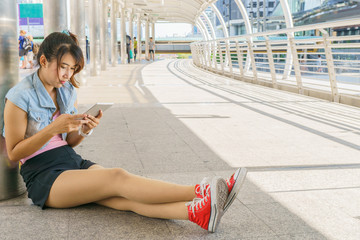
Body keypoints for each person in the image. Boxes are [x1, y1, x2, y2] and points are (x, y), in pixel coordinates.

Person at [2, 30, 248, 233]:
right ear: (44, 61)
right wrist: (53, 128)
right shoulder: (19, 97)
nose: (67, 75)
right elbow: (14, 153)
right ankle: (203, 190)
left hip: (70, 161)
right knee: (118, 177)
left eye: (73, 69)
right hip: (44, 177)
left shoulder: (67, 90)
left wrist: (84, 130)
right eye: (63, 67)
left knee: (125, 198)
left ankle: (199, 214)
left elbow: (69, 142)